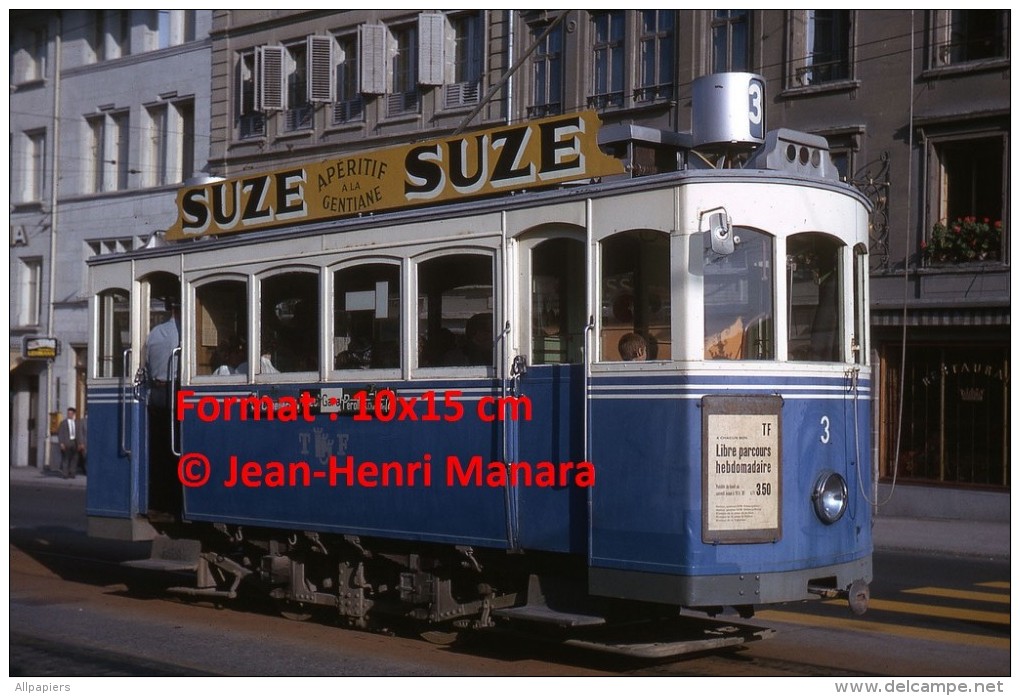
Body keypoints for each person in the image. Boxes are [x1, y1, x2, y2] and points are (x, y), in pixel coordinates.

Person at [144, 295, 182, 516]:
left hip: (156, 391)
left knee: (159, 449)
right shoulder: (184, 332)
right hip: (175, 392)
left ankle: (159, 498)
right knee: (176, 447)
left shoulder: (155, 332)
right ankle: (175, 500)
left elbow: (148, 362)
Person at [57, 407, 84, 479]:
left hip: (75, 442)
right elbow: (60, 433)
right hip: (66, 442)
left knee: (75, 458)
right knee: (66, 458)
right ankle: (65, 474)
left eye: (71, 413)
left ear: (74, 414)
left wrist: (81, 443)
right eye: (68, 413)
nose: (69, 415)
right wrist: (61, 443)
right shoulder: (63, 423)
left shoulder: (77, 423)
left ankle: (72, 473)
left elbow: (79, 434)